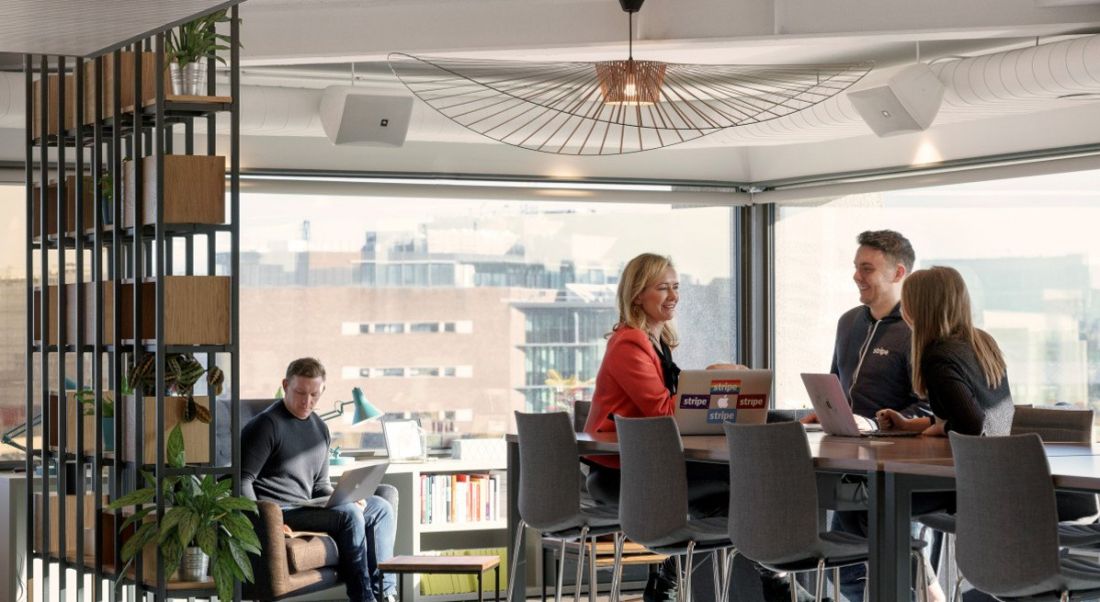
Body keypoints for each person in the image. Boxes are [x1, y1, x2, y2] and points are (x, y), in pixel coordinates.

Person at [582, 253, 818, 602]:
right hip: (627, 475)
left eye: (676, 287)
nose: (673, 296)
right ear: (636, 295)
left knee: (730, 496)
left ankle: (676, 578)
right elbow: (663, 411)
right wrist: (712, 381)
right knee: (741, 488)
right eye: (662, 288)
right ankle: (771, 581)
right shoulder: (629, 343)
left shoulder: (656, 343)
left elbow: (674, 403)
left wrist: (713, 379)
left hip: (652, 468)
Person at [801, 230, 932, 602]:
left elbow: (929, 407)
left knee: (879, 564)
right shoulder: (848, 322)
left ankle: (923, 586)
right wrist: (820, 412)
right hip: (846, 458)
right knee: (850, 567)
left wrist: (874, 423)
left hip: (896, 468)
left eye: (867, 268)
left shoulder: (917, 330)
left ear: (898, 273)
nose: (857, 276)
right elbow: (836, 384)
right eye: (856, 267)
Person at [241, 357, 398, 602]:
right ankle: (362, 596)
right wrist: (264, 524)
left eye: (314, 394)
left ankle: (385, 593)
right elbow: (242, 480)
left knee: (380, 507)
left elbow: (320, 486)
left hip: (308, 506)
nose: (307, 401)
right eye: (300, 393)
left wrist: (349, 497)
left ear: (323, 390)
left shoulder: (320, 428)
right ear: (285, 385)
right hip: (282, 512)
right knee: (349, 514)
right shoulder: (266, 425)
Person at [876, 266, 1014, 436]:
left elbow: (972, 425)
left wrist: (939, 429)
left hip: (971, 458)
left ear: (915, 310)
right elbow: (961, 415)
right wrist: (906, 425)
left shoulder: (938, 356)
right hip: (1001, 454)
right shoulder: (983, 341)